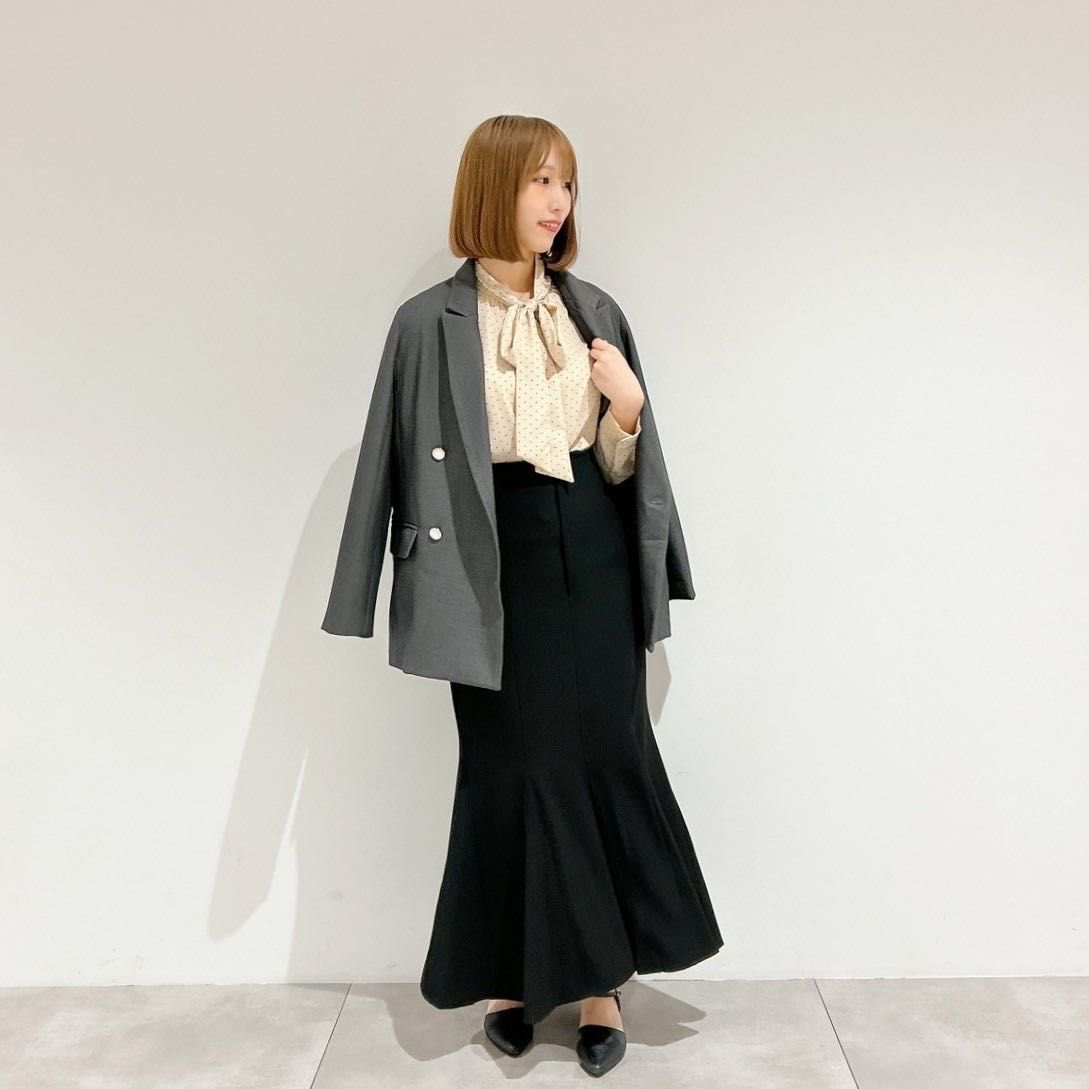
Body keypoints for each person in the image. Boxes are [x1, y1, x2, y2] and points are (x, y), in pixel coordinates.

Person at [324, 114, 723, 1077]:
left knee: (605, 754)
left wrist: (628, 406)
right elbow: (384, 455)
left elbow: (626, 468)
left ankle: (600, 985)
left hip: (591, 549)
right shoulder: (426, 322)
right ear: (490, 186)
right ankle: (510, 977)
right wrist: (357, 592)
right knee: (507, 769)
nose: (557, 201)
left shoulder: (594, 310)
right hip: (482, 562)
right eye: (539, 180)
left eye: (566, 183)